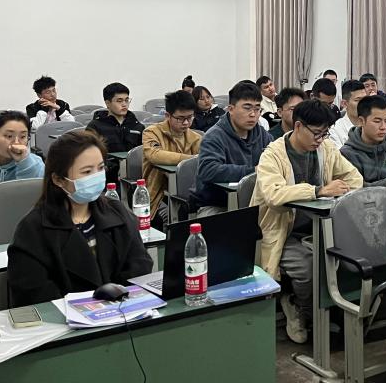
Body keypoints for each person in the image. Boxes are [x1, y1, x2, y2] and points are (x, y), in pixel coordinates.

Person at [252, 99, 362, 343]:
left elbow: (354, 178)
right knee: (308, 267)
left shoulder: (326, 148)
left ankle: (331, 310)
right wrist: (318, 191)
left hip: (320, 227)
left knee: (348, 258)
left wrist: (339, 189)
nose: (320, 139)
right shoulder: (273, 155)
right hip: (283, 232)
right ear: (298, 126)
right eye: (316, 133)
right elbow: (274, 195)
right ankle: (299, 308)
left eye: (325, 133)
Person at [7, 130, 152, 306]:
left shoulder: (117, 212)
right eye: (86, 171)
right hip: (66, 318)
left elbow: (140, 265)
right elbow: (33, 293)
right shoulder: (33, 228)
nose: (97, 176)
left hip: (123, 311)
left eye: (100, 168)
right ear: (59, 180)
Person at [192, 80, 273, 216]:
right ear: (231, 109)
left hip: (253, 201)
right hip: (216, 204)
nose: (253, 114)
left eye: (257, 109)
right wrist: (253, 171)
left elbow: (276, 158)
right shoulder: (214, 136)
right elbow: (209, 170)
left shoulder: (261, 134)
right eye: (247, 108)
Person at [142, 89, 202, 227]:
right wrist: (190, 159)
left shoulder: (196, 138)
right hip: (156, 191)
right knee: (164, 219)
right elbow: (154, 154)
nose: (186, 123)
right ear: (167, 115)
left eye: (190, 117)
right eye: (180, 118)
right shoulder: (151, 132)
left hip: (186, 191)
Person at [86, 83, 144, 181]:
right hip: (106, 177)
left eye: (127, 100)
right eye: (119, 101)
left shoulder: (137, 126)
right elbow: (89, 154)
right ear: (108, 103)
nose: (124, 104)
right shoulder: (95, 126)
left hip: (134, 175)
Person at [329, 80, 365, 149]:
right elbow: (339, 155)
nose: (364, 104)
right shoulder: (335, 130)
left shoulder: (372, 124)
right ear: (345, 103)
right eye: (358, 100)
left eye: (365, 99)